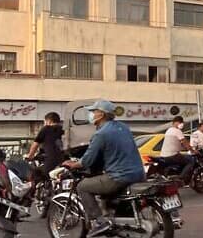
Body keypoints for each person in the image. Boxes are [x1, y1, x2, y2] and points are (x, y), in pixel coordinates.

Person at [62, 100, 145, 237]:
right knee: (105, 190)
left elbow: (87, 161)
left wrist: (73, 164)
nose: (92, 114)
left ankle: (100, 222)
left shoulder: (101, 134)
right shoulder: (123, 127)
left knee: (83, 187)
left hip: (120, 176)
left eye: (93, 111)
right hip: (139, 173)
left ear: (101, 114)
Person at [160, 116, 197, 182]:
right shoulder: (177, 131)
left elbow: (175, 143)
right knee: (191, 161)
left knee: (183, 157)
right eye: (181, 122)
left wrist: (183, 148)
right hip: (172, 155)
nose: (182, 124)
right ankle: (181, 177)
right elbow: (185, 142)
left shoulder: (168, 130)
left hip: (164, 155)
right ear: (176, 122)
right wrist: (192, 150)